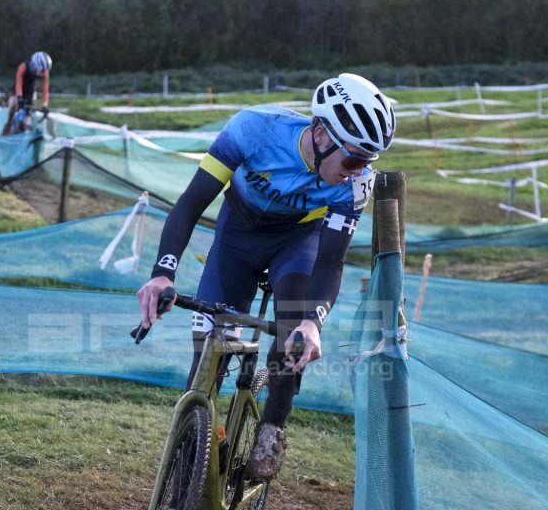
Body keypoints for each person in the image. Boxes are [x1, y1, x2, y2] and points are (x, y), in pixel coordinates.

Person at [136, 73, 396, 481]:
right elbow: (190, 204)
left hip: (296, 243)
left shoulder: (358, 183)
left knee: (294, 329)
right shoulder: (253, 129)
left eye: (368, 161)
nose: (358, 170)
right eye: (353, 159)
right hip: (236, 236)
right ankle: (190, 467)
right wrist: (162, 274)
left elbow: (331, 261)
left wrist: (312, 323)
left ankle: (273, 425)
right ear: (321, 135)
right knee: (207, 356)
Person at [2, 51, 52, 135]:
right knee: (13, 103)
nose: (43, 73)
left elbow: (46, 89)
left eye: (45, 71)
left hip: (29, 91)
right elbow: (18, 83)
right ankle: (8, 125)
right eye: (42, 71)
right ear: (36, 65)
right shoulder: (23, 66)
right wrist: (19, 97)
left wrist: (45, 105)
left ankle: (22, 131)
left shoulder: (45, 73)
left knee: (27, 115)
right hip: (18, 89)